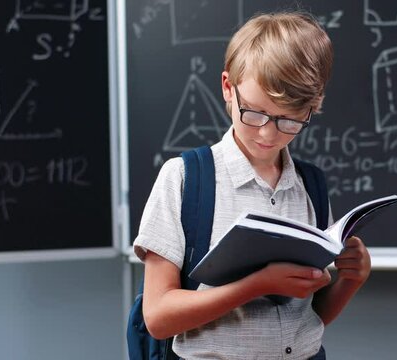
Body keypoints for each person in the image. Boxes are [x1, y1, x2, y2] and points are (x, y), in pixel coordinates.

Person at [133, 10, 371, 359]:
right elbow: (157, 318)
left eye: (290, 121)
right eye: (255, 113)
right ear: (228, 87)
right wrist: (256, 286)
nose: (268, 133)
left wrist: (351, 280)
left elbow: (307, 319)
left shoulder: (310, 186)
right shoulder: (184, 179)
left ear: (312, 109)